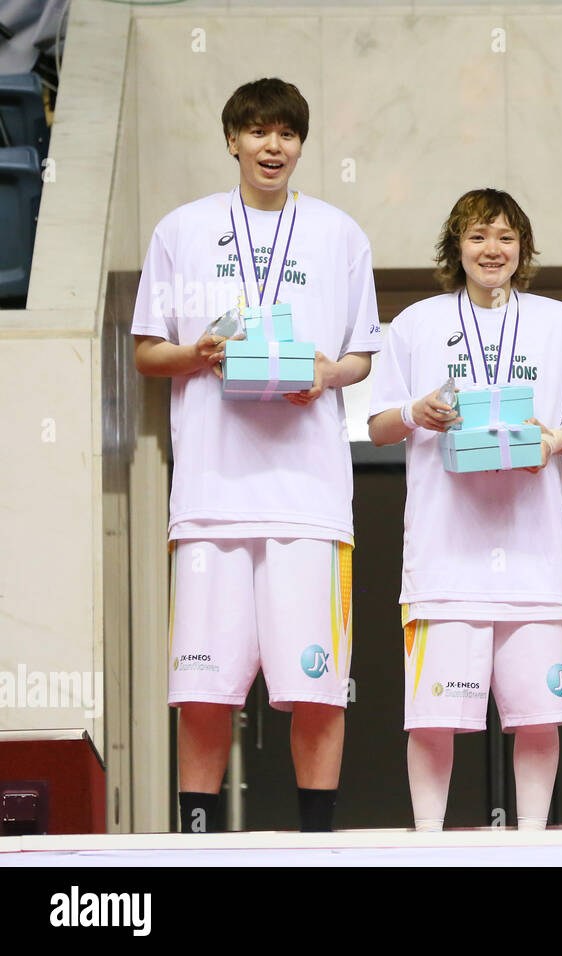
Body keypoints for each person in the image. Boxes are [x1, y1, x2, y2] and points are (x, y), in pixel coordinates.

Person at [132, 78, 381, 833]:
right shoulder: (182, 229)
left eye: (287, 134)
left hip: (307, 498)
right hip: (212, 494)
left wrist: (323, 374)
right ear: (233, 139)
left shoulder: (340, 233)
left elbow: (360, 358)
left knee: (317, 682)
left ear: (301, 145)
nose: (273, 147)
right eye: (258, 133)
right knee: (203, 685)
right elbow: (148, 353)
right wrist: (198, 353)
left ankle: (316, 839)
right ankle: (199, 839)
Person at [368, 188, 562, 832]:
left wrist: (555, 439)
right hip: (445, 558)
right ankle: (428, 841)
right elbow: (379, 425)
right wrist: (417, 412)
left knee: (537, 714)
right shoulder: (415, 323)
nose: (491, 249)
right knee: (434, 716)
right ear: (456, 247)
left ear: (522, 247)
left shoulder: (561, 324)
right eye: (477, 236)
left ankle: (530, 839)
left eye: (504, 236)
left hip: (535, 558)